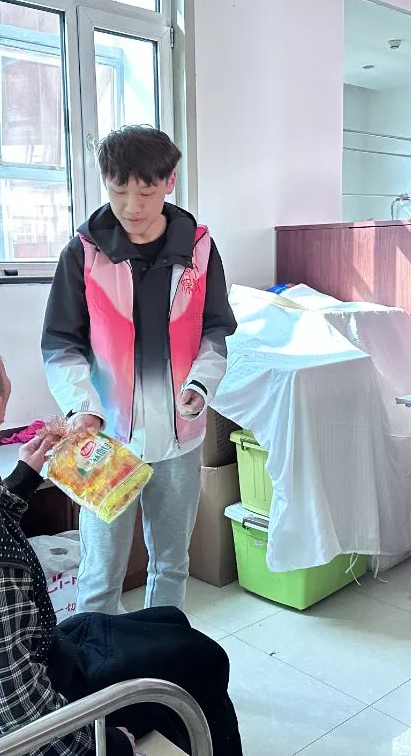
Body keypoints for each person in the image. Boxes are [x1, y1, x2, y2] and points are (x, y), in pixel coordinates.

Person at [0, 331, 242, 755]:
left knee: (169, 621)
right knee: (204, 658)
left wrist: (25, 478)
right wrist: (108, 746)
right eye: (2, 364)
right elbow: (14, 713)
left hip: (0, 662)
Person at [42, 126, 237, 615]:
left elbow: (216, 329)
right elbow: (61, 343)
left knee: (171, 563)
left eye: (146, 192)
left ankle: (161, 648)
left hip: (180, 436)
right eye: (118, 190)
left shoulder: (199, 250)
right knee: (100, 570)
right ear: (105, 183)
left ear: (170, 182)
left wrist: (200, 385)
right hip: (105, 439)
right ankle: (99, 658)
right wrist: (81, 407)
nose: (131, 206)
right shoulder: (83, 253)